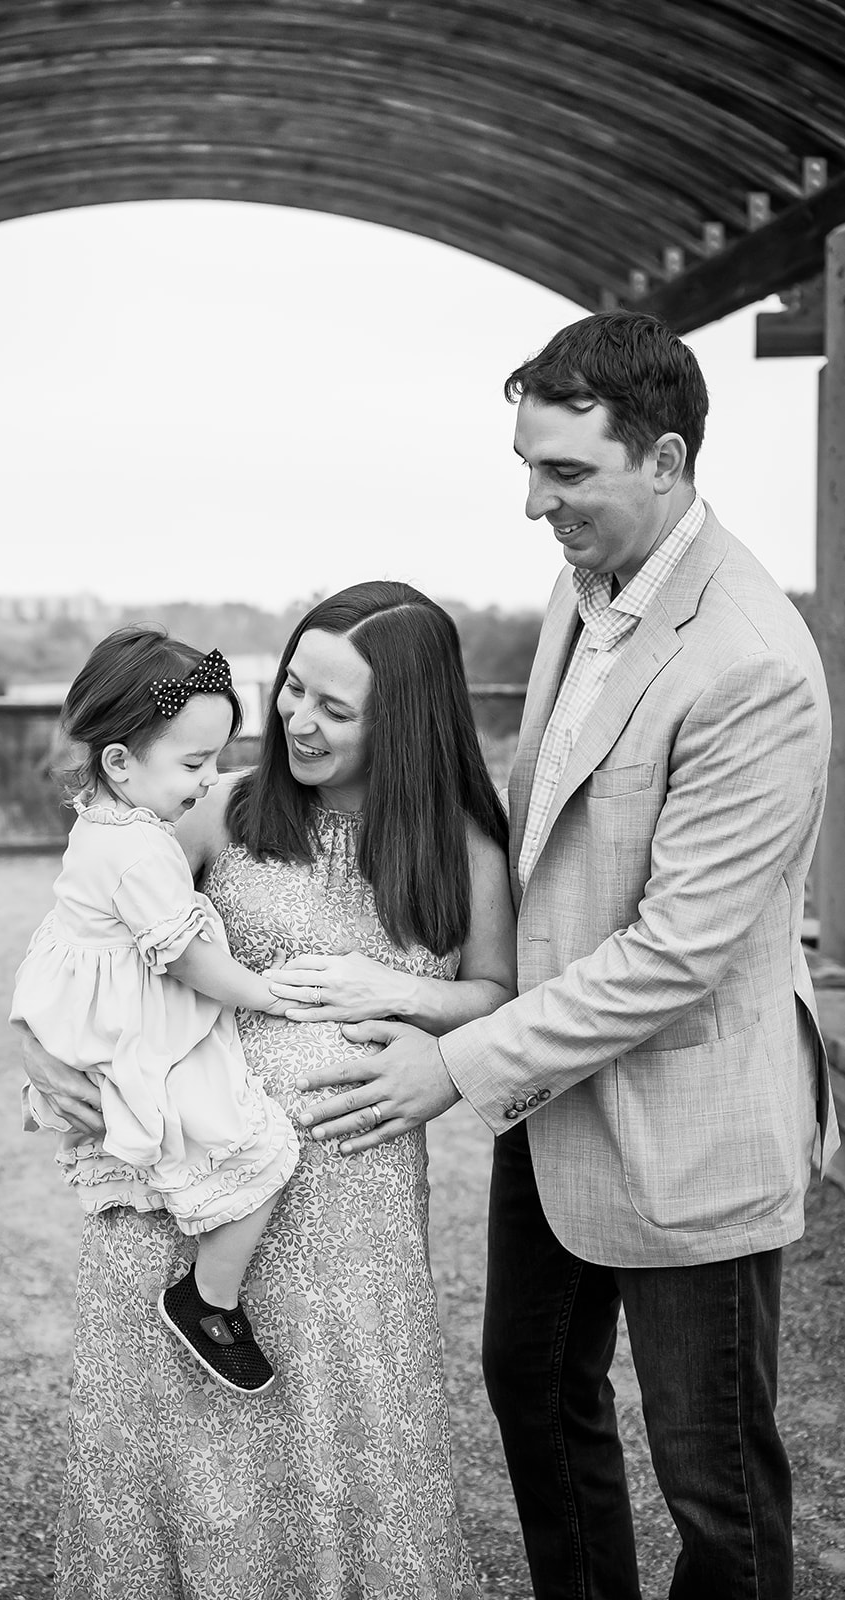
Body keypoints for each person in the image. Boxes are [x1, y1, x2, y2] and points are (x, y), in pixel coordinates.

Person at [294, 313, 840, 1599]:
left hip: (691, 1118)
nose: (535, 503)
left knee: (712, 1479)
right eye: (528, 466)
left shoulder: (753, 663)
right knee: (533, 1391)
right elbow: (551, 837)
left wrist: (456, 1059)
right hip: (554, 1094)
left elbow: (674, 955)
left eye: (566, 472)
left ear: (665, 458)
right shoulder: (583, 582)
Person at [19, 581, 516, 1599]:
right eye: (293, 688)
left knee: (343, 1438)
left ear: (407, 720)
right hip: (185, 1194)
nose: (298, 720)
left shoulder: (460, 846)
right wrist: (29, 1040)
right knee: (184, 1443)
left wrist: (400, 990)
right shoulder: (222, 804)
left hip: (355, 1223)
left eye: (336, 707)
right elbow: (90, 919)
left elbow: (499, 997)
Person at [10, 627, 300, 1397]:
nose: (211, 779)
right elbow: (187, 960)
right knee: (261, 1149)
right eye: (195, 763)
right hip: (135, 1024)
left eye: (217, 759)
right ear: (119, 762)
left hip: (98, 1012)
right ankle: (209, 1299)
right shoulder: (140, 849)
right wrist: (265, 991)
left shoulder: (103, 819)